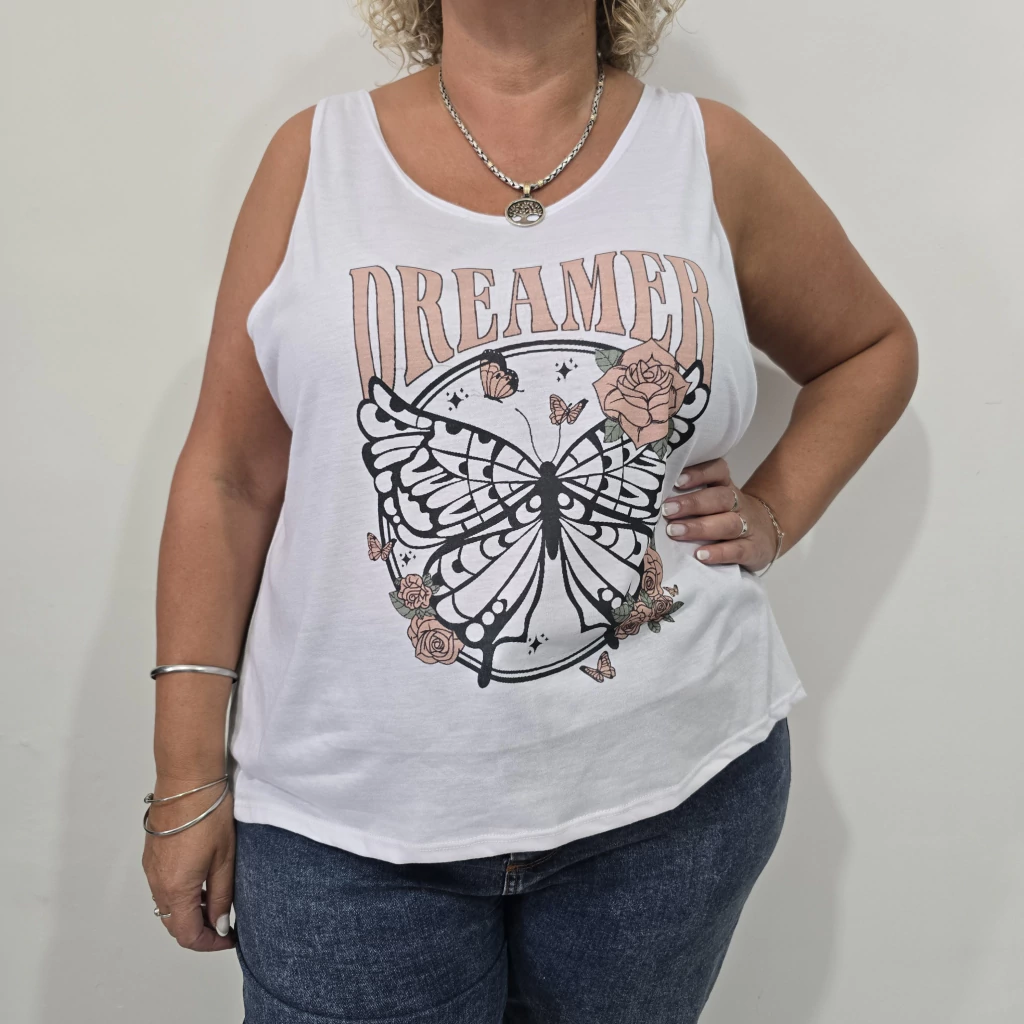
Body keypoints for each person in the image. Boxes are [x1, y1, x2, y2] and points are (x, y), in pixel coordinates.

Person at [141, 1, 918, 1020]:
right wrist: (183, 774)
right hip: (348, 827)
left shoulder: (709, 154)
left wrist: (772, 513)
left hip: (671, 804)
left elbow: (869, 348)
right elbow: (230, 475)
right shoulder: (315, 159)